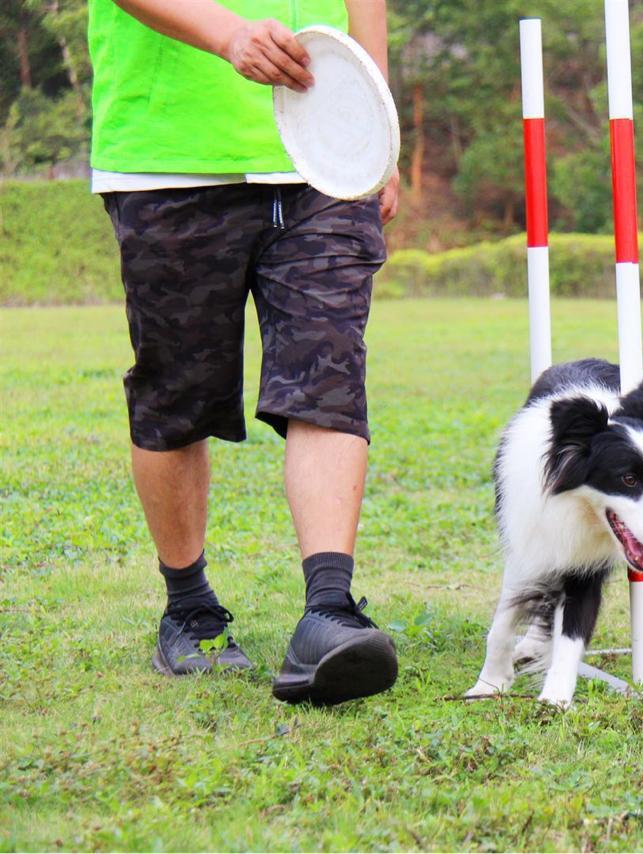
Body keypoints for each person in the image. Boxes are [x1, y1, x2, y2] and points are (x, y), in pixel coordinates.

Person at [88, 0, 401, 705]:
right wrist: (229, 35)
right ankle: (190, 608)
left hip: (323, 152)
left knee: (329, 373)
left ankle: (327, 610)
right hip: (168, 157)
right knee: (179, 394)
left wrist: (375, 125)